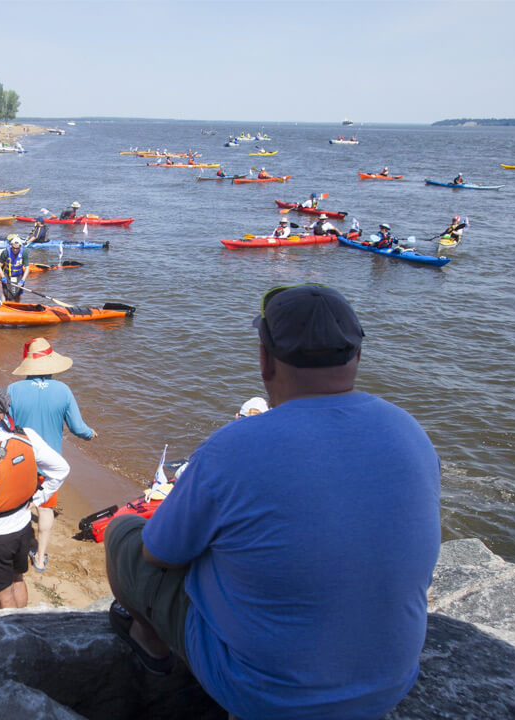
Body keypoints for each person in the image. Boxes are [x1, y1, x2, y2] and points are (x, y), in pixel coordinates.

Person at [103, 284, 440, 717]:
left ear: (264, 359)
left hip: (264, 696)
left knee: (125, 532)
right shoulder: (409, 431)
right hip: (388, 683)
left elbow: (158, 554)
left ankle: (150, 643)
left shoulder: (233, 448)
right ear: (356, 355)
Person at [0, 383, 68, 609]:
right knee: (18, 578)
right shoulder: (28, 436)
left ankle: (13, 636)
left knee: (3, 594)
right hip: (22, 528)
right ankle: (24, 623)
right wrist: (38, 498)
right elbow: (61, 469)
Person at [7, 339, 95, 573]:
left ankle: (14, 549)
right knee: (45, 510)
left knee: (18, 506)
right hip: (49, 466)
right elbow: (77, 428)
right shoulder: (63, 391)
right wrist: (90, 434)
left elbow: (7, 426)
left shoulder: (13, 390)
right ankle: (39, 557)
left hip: (20, 461)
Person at [0, 235, 30, 301]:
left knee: (17, 294)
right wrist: (3, 277)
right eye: (13, 248)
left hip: (18, 275)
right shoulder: (5, 253)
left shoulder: (24, 253)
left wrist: (23, 280)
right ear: (11, 246)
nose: (15, 250)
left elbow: (27, 268)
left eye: (17, 248)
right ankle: (4, 305)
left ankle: (17, 307)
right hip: (7, 275)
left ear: (20, 247)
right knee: (6, 294)